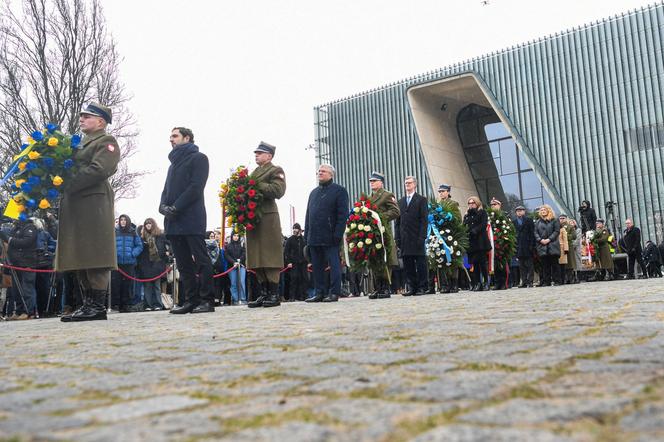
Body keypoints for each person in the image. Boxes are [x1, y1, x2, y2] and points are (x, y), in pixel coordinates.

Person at [57, 102, 120, 322]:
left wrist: (68, 183)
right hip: (77, 206)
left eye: (87, 116)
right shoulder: (80, 144)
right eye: (82, 116)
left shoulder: (106, 141)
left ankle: (97, 306)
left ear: (101, 121)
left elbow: (100, 169)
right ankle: (87, 304)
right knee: (80, 254)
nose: (81, 119)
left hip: (94, 205)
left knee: (96, 255)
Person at [160, 127, 215, 314]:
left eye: (175, 136)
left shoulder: (199, 158)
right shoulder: (172, 165)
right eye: (170, 136)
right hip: (173, 221)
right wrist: (162, 207)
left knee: (201, 260)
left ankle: (207, 300)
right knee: (183, 263)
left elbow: (196, 187)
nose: (171, 139)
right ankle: (191, 300)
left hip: (191, 218)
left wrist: (176, 207)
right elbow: (166, 190)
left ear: (187, 138)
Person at [246, 142, 287, 308]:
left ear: (269, 156)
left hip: (268, 218)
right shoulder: (254, 172)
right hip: (253, 218)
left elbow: (278, 191)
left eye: (260, 153)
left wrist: (256, 185)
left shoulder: (276, 170)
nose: (256, 155)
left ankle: (274, 293)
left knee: (269, 255)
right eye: (256, 153)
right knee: (257, 257)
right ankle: (264, 292)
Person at [304, 164, 349, 303]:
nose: (320, 173)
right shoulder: (313, 193)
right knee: (317, 266)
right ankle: (319, 292)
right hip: (314, 236)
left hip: (330, 235)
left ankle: (334, 292)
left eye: (323, 171)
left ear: (331, 174)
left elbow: (343, 215)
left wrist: (337, 233)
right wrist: (307, 234)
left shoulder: (339, 191)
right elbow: (308, 215)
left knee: (334, 265)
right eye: (319, 171)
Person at [367, 171, 400, 299]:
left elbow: (396, 211)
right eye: (371, 181)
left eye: (374, 181)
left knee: (385, 259)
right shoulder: (368, 198)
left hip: (383, 232)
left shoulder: (387, 195)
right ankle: (377, 287)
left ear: (381, 182)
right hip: (372, 234)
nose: (372, 183)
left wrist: (380, 217)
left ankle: (386, 287)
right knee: (374, 259)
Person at [395, 176, 428, 296]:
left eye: (409, 183)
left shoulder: (421, 200)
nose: (407, 185)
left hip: (417, 237)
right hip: (404, 239)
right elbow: (398, 222)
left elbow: (424, 220)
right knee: (408, 264)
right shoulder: (401, 201)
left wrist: (422, 236)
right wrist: (397, 238)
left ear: (415, 184)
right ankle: (412, 287)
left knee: (420, 263)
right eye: (405, 183)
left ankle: (423, 287)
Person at [4, 218, 38, 319]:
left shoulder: (30, 228)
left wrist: (8, 239)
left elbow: (25, 242)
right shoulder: (14, 229)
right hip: (15, 263)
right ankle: (19, 311)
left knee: (27, 288)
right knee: (16, 289)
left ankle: (29, 311)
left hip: (27, 262)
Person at [431, 184, 462, 293]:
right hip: (439, 235)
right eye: (439, 192)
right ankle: (444, 284)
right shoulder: (437, 205)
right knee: (441, 258)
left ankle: (454, 283)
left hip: (450, 235)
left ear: (448, 192)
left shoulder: (453, 204)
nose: (441, 193)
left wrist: (449, 218)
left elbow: (458, 219)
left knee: (452, 259)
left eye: (443, 191)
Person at [111, 214, 143, 312]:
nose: (123, 221)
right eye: (121, 220)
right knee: (116, 284)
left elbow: (139, 246)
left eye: (125, 220)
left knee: (127, 285)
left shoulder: (133, 232)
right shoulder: (115, 232)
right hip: (117, 264)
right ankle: (115, 304)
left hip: (129, 263)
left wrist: (132, 254)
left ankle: (126, 304)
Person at [137, 218, 168, 311]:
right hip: (146, 264)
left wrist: (168, 252)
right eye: (146, 224)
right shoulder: (142, 237)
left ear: (153, 224)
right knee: (147, 286)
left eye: (149, 223)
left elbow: (169, 244)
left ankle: (158, 304)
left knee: (157, 286)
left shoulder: (160, 235)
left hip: (157, 263)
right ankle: (148, 305)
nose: (148, 225)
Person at [463, 196, 491, 291]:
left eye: (473, 203)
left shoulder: (482, 212)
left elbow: (483, 224)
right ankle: (477, 283)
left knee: (482, 263)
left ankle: (486, 282)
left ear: (477, 203)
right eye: (469, 203)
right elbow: (464, 225)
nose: (471, 205)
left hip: (480, 241)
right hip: (471, 243)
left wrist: (474, 230)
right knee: (474, 264)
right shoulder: (467, 214)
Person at [534, 205, 561, 286]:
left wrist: (549, 239)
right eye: (541, 210)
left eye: (544, 210)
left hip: (552, 245)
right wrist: (540, 240)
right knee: (545, 265)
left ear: (548, 210)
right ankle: (547, 281)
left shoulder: (554, 220)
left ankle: (557, 281)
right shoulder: (538, 222)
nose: (542, 211)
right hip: (542, 246)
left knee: (555, 264)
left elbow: (556, 231)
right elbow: (535, 232)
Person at [284, 223, 308, 301]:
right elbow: (286, 252)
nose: (294, 230)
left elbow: (307, 251)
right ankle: (292, 296)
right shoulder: (290, 239)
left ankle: (304, 295)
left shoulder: (304, 239)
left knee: (304, 279)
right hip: (294, 263)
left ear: (299, 230)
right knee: (294, 279)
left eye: (296, 228)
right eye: (293, 228)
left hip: (303, 262)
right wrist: (288, 262)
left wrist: (309, 261)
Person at [514, 205, 535, 288]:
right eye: (517, 211)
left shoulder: (528, 220)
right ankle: (524, 281)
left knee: (529, 265)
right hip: (519, 246)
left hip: (527, 245)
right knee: (521, 265)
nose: (519, 212)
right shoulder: (514, 222)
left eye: (521, 210)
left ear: (524, 211)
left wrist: (532, 245)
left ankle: (530, 281)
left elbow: (532, 233)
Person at [225, 233, 247, 304]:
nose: (236, 237)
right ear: (232, 236)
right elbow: (227, 256)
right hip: (232, 267)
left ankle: (243, 299)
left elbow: (244, 254)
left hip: (241, 266)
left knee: (241, 282)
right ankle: (235, 299)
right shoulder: (228, 246)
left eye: (237, 236)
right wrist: (233, 262)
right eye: (234, 235)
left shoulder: (242, 245)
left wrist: (239, 261)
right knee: (233, 283)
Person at [557, 214, 570, 284]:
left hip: (562, 248)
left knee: (562, 265)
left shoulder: (562, 229)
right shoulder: (555, 229)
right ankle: (558, 279)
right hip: (555, 248)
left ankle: (563, 279)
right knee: (557, 265)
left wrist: (566, 249)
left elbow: (565, 239)